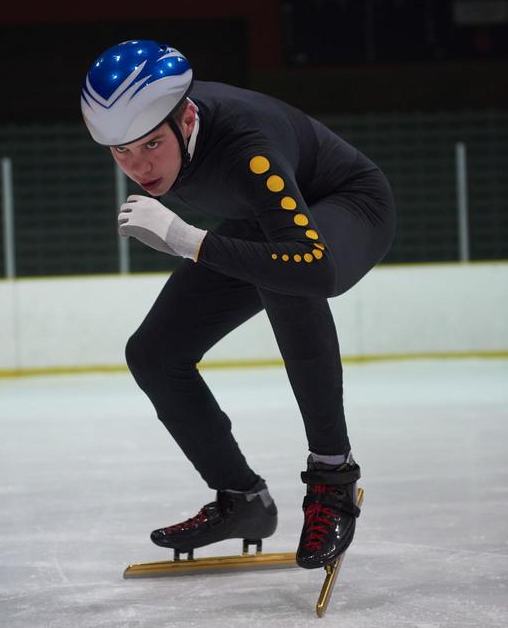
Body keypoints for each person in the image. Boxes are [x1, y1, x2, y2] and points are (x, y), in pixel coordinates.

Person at [81, 39, 396, 569]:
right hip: (266, 220)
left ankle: (333, 477)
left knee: (286, 280)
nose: (138, 167)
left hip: (349, 205)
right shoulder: (160, 127)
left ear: (186, 118)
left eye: (151, 145)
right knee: (154, 354)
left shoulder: (247, 147)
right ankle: (242, 500)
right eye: (122, 152)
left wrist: (188, 240)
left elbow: (317, 270)